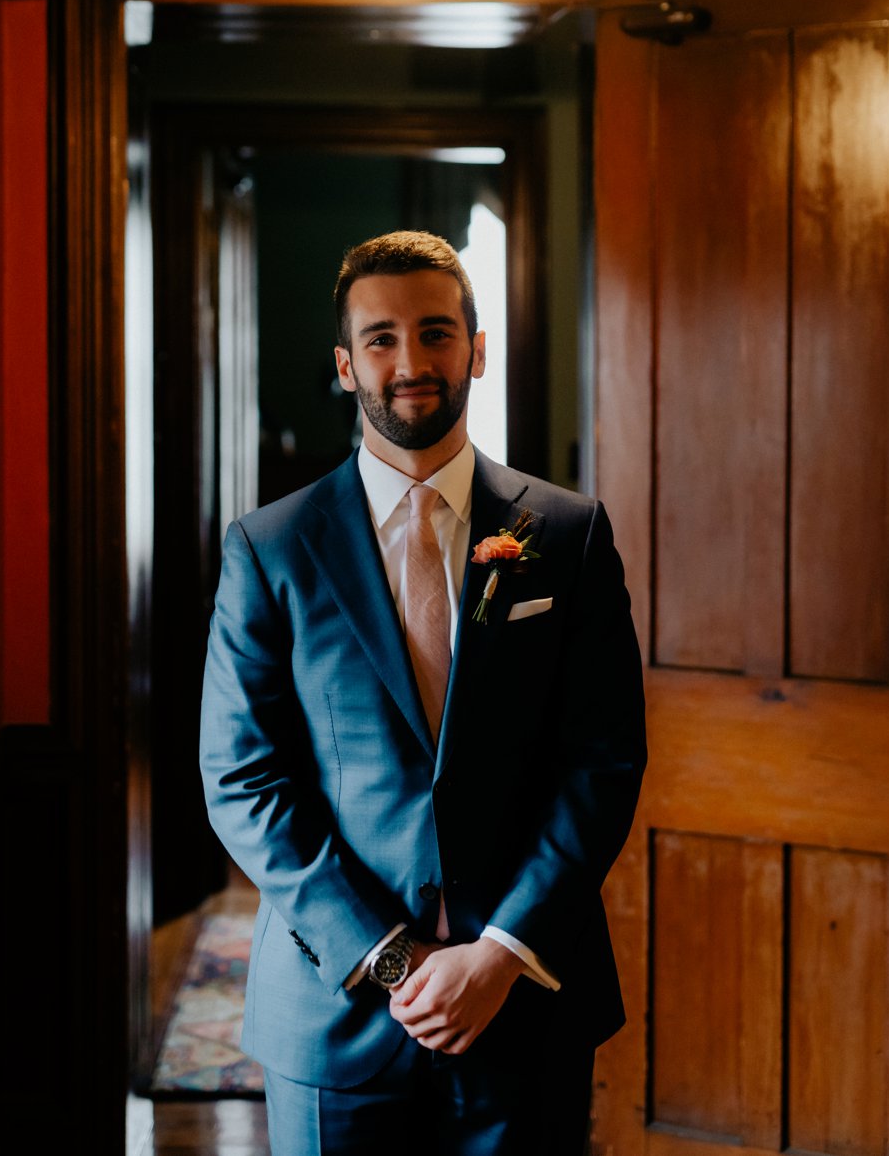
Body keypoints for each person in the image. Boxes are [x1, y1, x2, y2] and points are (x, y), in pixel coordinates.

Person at [199, 230, 646, 1153]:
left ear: (476, 349)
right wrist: (393, 959)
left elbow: (601, 760)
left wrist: (498, 952)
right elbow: (242, 778)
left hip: (523, 1000)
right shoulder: (270, 548)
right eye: (381, 338)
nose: (411, 362)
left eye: (437, 334)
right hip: (337, 1016)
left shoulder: (567, 533)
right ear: (343, 362)